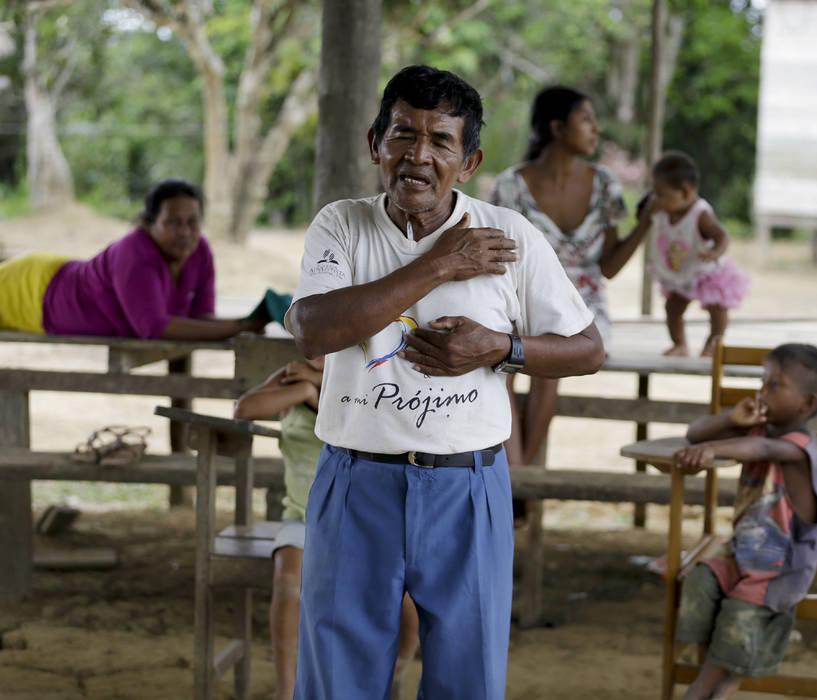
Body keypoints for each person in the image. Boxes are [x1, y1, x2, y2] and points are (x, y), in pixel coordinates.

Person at [285, 65, 604, 699]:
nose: (418, 156)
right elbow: (313, 330)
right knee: (337, 678)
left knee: (467, 678)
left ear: (470, 160)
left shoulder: (509, 236)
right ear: (374, 142)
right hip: (355, 481)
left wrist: (502, 348)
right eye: (403, 134)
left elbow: (588, 348)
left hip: (468, 486)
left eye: (440, 142)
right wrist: (439, 265)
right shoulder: (341, 226)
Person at [489, 85, 652, 506]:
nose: (597, 130)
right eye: (587, 120)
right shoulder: (511, 186)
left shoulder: (605, 184)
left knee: (552, 362)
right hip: (519, 295)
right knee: (503, 362)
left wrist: (646, 222)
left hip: (584, 304)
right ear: (557, 128)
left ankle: (515, 483)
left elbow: (610, 266)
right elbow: (498, 261)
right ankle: (521, 484)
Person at [232, 356, 420, 700]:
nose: (318, 353)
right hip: (304, 517)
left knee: (407, 590)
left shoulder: (370, 377)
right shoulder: (292, 377)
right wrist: (302, 387)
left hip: (365, 519)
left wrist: (319, 391)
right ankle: (286, 689)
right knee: (289, 581)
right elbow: (244, 409)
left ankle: (397, 666)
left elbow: (372, 429)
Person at [0, 179, 281, 340]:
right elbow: (154, 328)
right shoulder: (135, 251)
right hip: (24, 293)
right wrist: (241, 326)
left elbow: (202, 318)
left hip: (53, 276)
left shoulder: (201, 252)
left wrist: (241, 324)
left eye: (193, 222)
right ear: (148, 222)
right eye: (173, 222)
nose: (185, 232)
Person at [672, 343, 817, 700]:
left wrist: (715, 450)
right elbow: (695, 433)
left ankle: (705, 687)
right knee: (701, 579)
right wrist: (732, 420)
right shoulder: (759, 430)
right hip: (743, 552)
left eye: (774, 385)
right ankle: (722, 671)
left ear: (807, 403)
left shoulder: (802, 447)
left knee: (740, 611)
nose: (762, 391)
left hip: (782, 565)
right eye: (762, 381)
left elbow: (762, 451)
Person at [644, 151, 749, 357]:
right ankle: (680, 344)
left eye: (661, 194)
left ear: (684, 191)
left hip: (705, 271)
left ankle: (713, 342)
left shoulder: (700, 214)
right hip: (682, 272)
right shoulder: (664, 213)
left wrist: (715, 252)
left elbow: (722, 235)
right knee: (672, 308)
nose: (656, 199)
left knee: (717, 309)